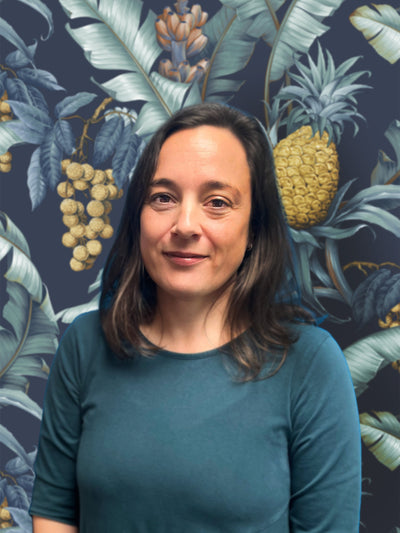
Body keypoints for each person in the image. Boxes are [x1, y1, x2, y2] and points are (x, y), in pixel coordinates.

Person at [30, 103, 361, 532]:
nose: (185, 224)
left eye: (217, 202)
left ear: (254, 228)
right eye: (163, 198)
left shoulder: (310, 365)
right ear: (138, 216)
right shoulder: (85, 345)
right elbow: (55, 514)